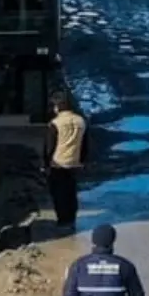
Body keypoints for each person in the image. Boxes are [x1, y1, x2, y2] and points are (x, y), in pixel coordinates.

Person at [44, 90, 88, 233]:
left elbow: (49, 146)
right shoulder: (81, 121)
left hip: (58, 163)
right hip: (74, 163)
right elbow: (85, 144)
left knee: (59, 193)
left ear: (57, 107)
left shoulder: (55, 123)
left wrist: (45, 164)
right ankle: (71, 220)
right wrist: (83, 160)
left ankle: (62, 221)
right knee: (71, 192)